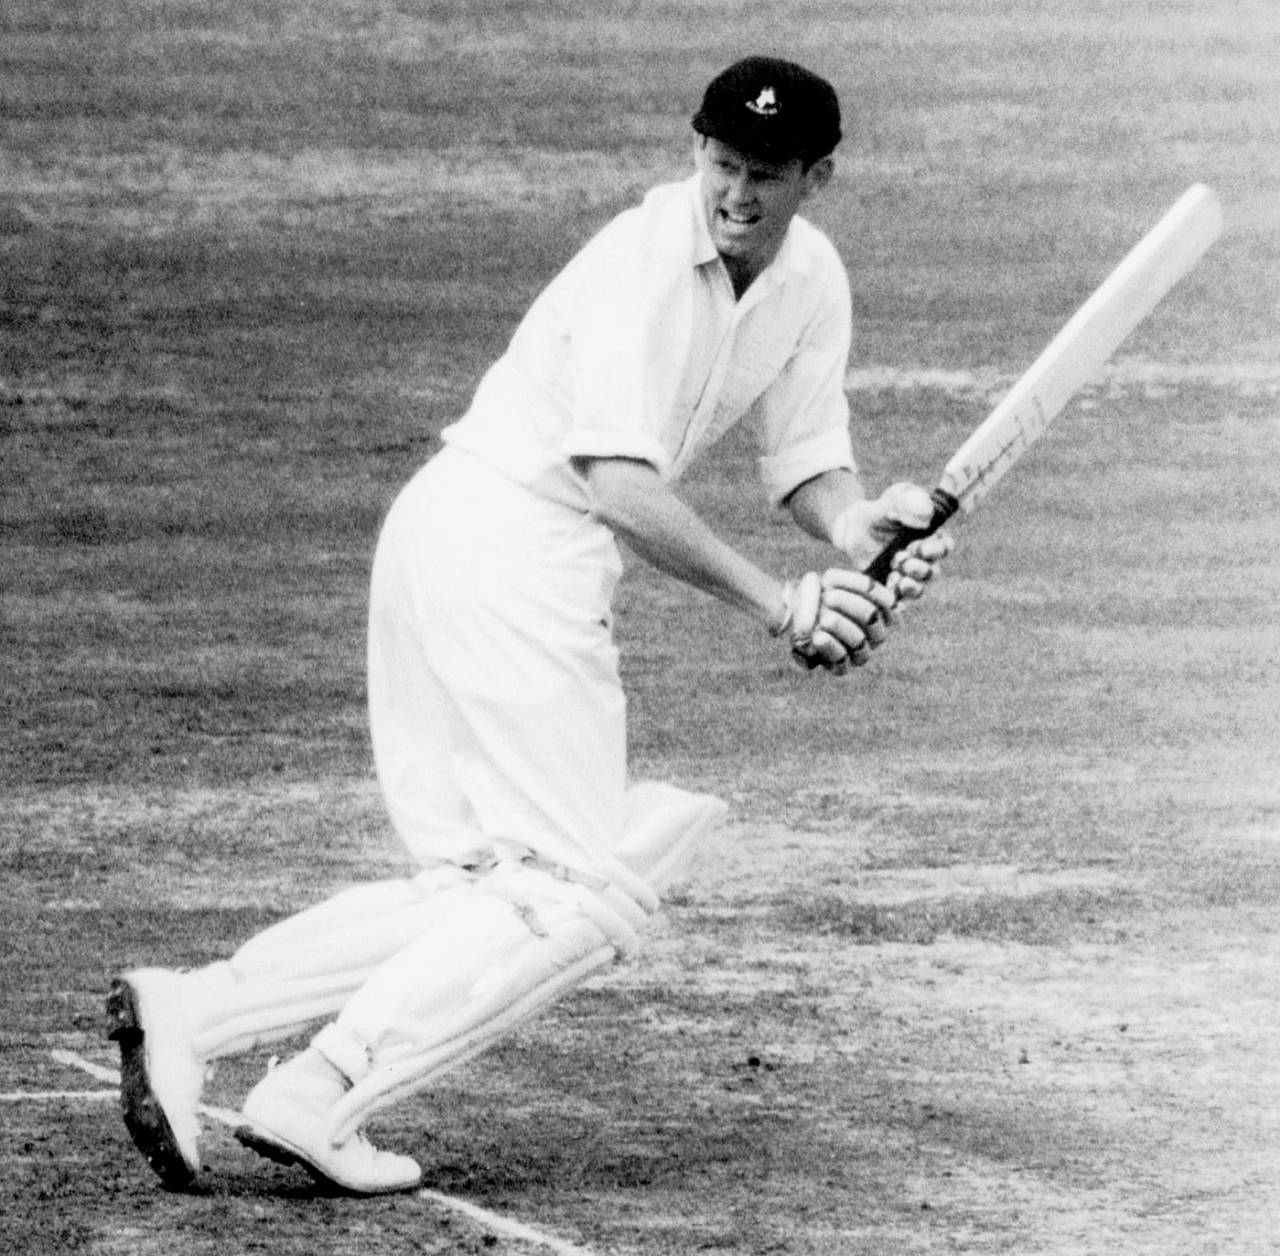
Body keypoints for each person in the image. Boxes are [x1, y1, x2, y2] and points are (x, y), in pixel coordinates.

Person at [106, 55, 954, 1196]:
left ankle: (199, 1005)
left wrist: (856, 530)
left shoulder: (811, 280)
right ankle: (321, 1089)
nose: (735, 195)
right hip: (501, 545)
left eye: (765, 174)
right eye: (718, 164)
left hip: (480, 549)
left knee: (483, 884)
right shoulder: (643, 262)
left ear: (818, 177)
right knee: (576, 890)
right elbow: (616, 482)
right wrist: (780, 604)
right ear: (692, 150)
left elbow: (803, 458)